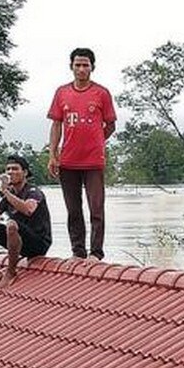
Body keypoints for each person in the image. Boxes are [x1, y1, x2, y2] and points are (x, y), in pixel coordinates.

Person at [47, 47, 116, 260]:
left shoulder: (101, 93)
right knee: (73, 210)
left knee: (96, 208)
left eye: (85, 65)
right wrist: (53, 155)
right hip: (68, 160)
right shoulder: (62, 92)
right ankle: (78, 252)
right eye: (78, 65)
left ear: (92, 67)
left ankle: (96, 253)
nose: (81, 69)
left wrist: (96, 140)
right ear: (71, 67)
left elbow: (111, 124)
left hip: (94, 161)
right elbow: (56, 125)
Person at [0, 155, 52, 289]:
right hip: (18, 238)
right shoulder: (8, 195)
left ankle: (11, 272)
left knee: (11, 224)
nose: (10, 172)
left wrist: (5, 192)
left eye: (15, 169)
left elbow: (28, 209)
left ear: (25, 173)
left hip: (38, 242)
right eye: (8, 169)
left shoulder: (33, 192)